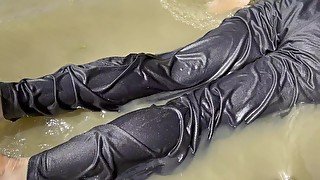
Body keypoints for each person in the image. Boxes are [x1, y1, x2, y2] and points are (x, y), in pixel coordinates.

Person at [1, 0, 320, 179]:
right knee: (203, 112)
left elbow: (215, 7)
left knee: (169, 71)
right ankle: (24, 168)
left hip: (286, 10)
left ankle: (11, 101)